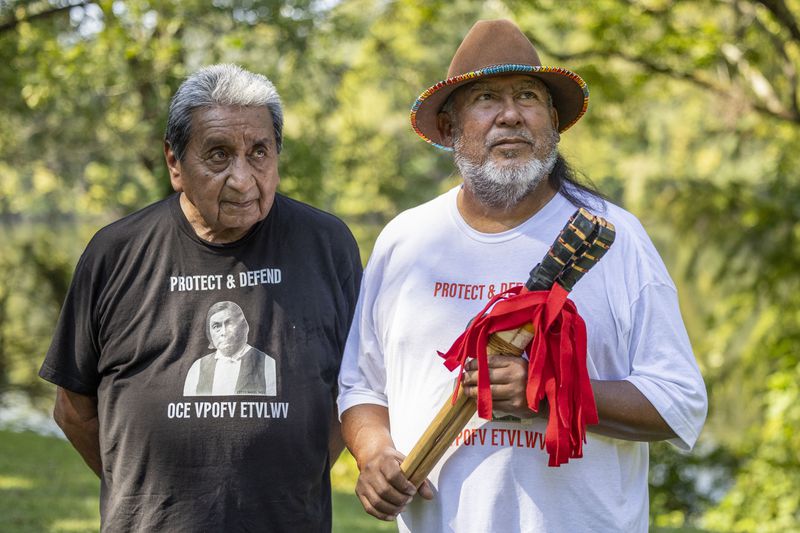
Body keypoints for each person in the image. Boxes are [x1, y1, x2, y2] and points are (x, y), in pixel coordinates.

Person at [337, 19, 707, 533]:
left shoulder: (613, 238)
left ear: (552, 121)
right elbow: (361, 386)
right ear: (449, 128)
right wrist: (374, 453)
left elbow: (680, 402)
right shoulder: (407, 242)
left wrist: (553, 391)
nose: (510, 115)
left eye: (528, 97)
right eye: (486, 98)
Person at [39, 64, 362, 531]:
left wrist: (290, 479)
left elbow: (355, 388)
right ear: (175, 163)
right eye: (218, 155)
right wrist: (145, 491)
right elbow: (73, 408)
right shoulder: (115, 253)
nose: (243, 179)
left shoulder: (327, 245)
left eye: (259, 153)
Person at [183, 301, 277, 396]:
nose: (223, 332)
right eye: (216, 326)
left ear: (243, 326)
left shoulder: (267, 364)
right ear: (210, 333)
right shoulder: (198, 368)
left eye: (229, 323)